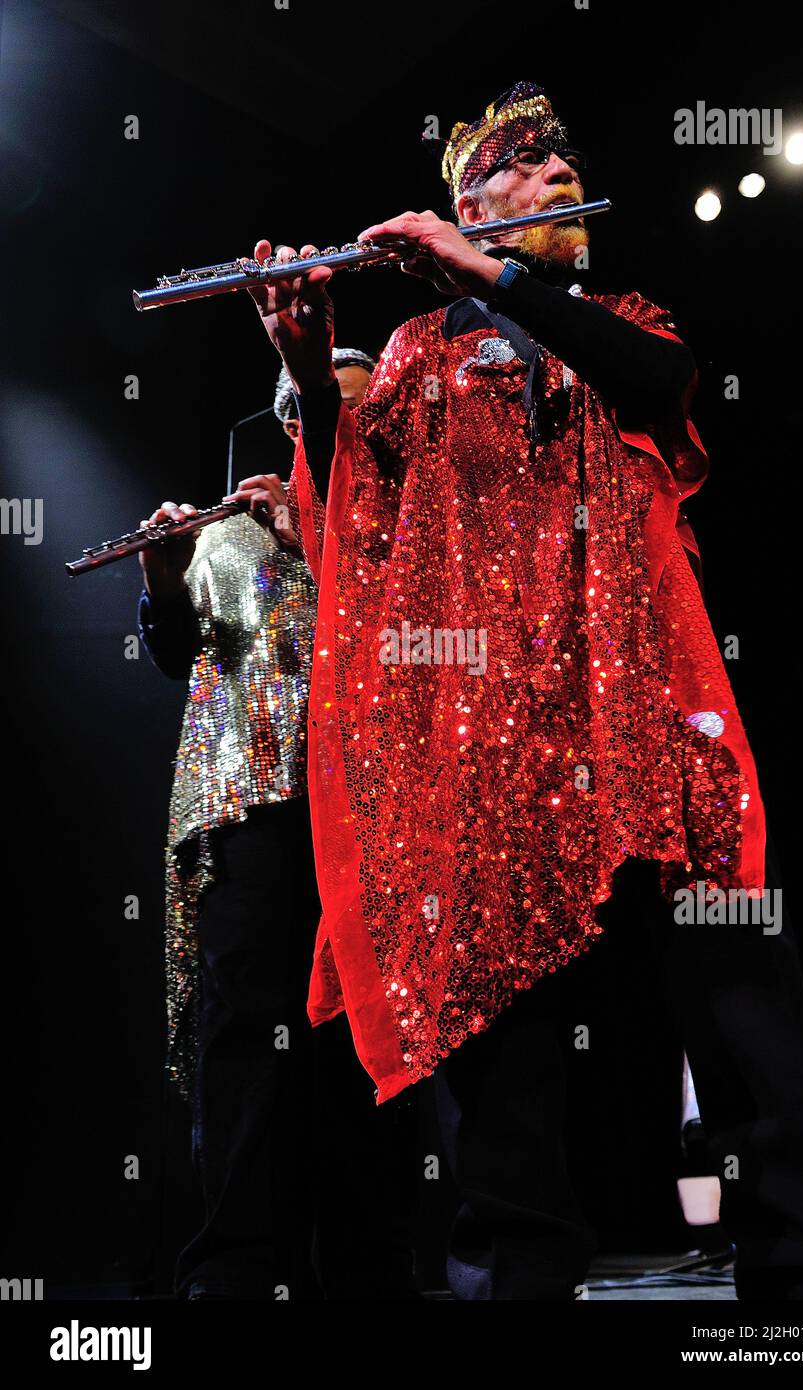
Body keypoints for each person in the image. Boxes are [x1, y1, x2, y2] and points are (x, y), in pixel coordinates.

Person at [234, 79, 803, 1301]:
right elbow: (348, 528)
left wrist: (489, 273)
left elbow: (661, 386)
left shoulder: (618, 318)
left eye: (563, 161)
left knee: (735, 993)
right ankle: (517, 1282)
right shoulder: (415, 357)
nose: (558, 174)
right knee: (501, 1031)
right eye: (524, 165)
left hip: (639, 705)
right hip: (488, 729)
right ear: (464, 201)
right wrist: (311, 374)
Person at [138, 350, 419, 1301]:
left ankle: (368, 1266)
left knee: (359, 1042)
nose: (331, 421)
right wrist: (165, 577)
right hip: (246, 804)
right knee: (246, 1036)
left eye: (352, 405)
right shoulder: (229, 530)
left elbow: (420, 644)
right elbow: (177, 652)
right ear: (288, 415)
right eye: (313, 406)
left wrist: (317, 537)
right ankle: (236, 1270)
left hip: (370, 808)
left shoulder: (403, 521)